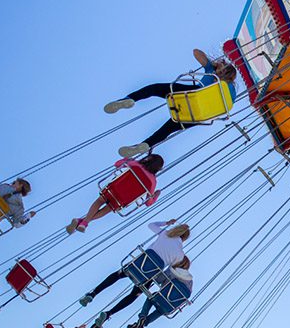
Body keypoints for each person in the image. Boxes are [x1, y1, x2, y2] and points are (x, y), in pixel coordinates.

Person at [105, 49, 239, 158]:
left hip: (194, 95)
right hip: (200, 115)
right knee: (169, 128)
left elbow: (196, 53)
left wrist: (215, 64)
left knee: (155, 89)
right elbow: (227, 110)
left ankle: (129, 99)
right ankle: (145, 145)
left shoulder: (212, 72)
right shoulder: (231, 91)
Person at [77, 220, 190, 328]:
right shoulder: (180, 254)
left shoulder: (165, 234)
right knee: (134, 295)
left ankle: (93, 294)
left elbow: (151, 225)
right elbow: (169, 270)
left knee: (117, 275)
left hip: (138, 264)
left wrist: (166, 223)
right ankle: (109, 313)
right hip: (148, 275)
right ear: (184, 238)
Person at [66, 154, 164, 234]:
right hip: (121, 200)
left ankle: (84, 222)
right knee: (107, 209)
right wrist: (156, 194)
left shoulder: (136, 164)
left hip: (112, 190)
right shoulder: (152, 182)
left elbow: (118, 164)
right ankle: (83, 222)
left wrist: (128, 158)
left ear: (148, 158)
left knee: (99, 201)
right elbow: (148, 203)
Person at [127, 260, 193, 328]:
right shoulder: (190, 281)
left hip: (161, 297)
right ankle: (142, 323)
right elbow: (186, 296)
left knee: (151, 298)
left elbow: (158, 280)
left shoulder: (172, 270)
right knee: (160, 311)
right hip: (169, 306)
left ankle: (142, 316)